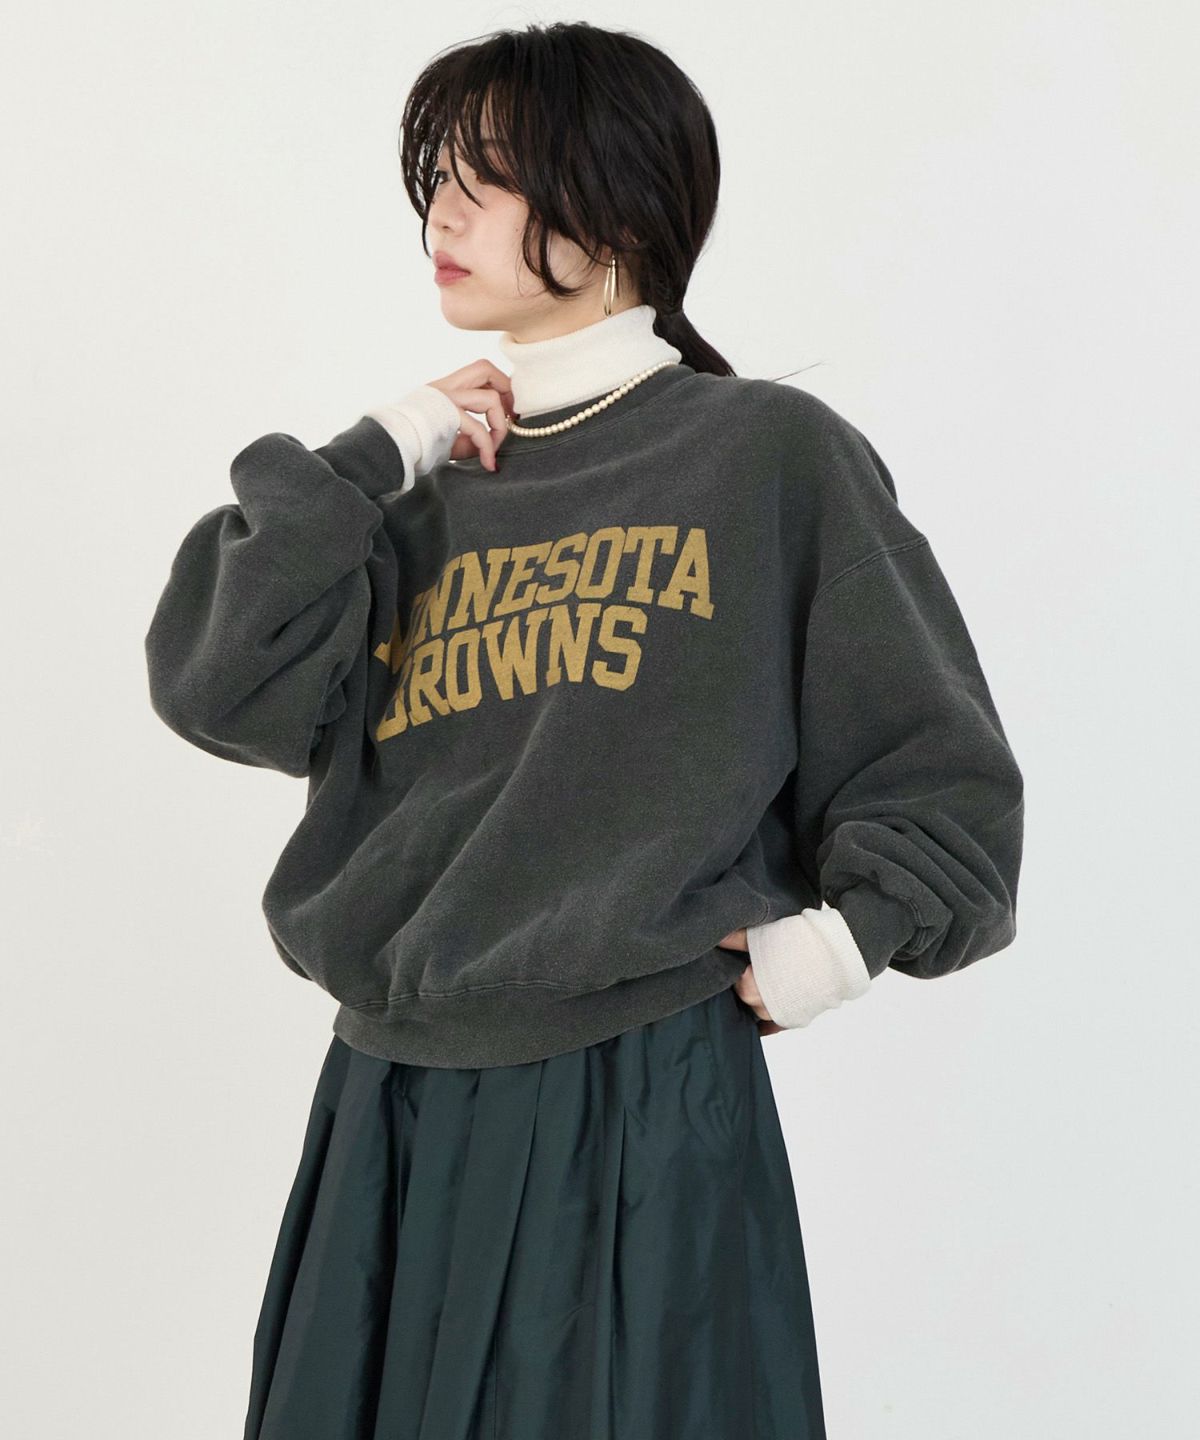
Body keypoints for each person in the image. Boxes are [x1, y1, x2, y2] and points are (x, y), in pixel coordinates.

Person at [143, 20, 1024, 1440]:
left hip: (636, 1087)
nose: (442, 215)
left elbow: (942, 772)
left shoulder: (762, 454)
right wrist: (377, 450)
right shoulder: (410, 498)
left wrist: (845, 943)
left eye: (485, 179)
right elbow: (211, 682)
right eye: (436, 179)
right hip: (389, 1098)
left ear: (614, 210)